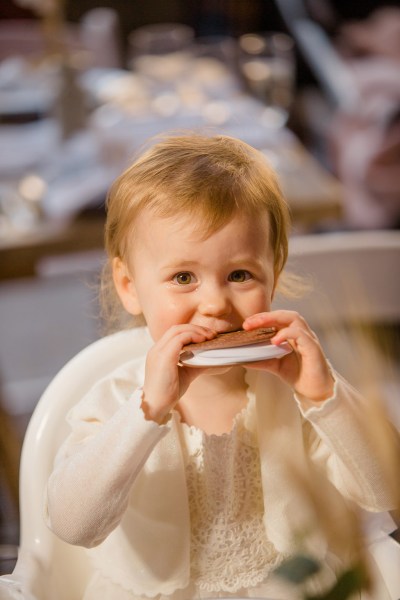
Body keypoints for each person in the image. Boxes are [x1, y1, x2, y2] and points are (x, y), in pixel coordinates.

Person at [45, 133, 397, 600]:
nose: (214, 302)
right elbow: (72, 525)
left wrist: (324, 397)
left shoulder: (299, 388)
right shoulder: (116, 399)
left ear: (273, 270)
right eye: (183, 278)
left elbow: (385, 491)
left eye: (239, 275)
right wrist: (146, 412)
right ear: (130, 285)